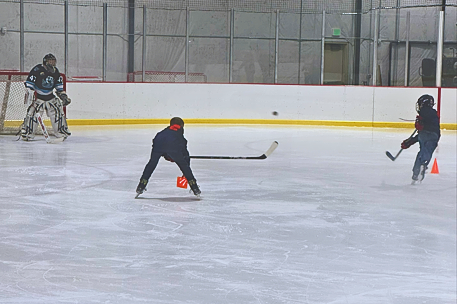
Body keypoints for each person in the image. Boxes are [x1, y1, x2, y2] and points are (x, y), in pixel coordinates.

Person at [136, 117, 201, 197]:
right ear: (181, 126)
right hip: (173, 147)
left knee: (151, 164)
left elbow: (157, 141)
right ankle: (194, 187)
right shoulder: (180, 136)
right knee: (184, 166)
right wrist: (185, 163)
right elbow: (185, 154)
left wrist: (166, 155)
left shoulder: (163, 132)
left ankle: (141, 186)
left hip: (158, 144)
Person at [21, 53, 71, 141]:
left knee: (58, 113)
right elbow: (29, 85)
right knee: (32, 115)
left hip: (50, 97)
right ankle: (28, 133)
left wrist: (63, 96)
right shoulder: (37, 69)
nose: (52, 63)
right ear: (45, 62)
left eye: (53, 61)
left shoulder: (56, 71)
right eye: (50, 61)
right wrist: (30, 95)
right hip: (39, 98)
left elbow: (59, 87)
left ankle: (60, 132)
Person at [401, 94, 440, 182]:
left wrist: (410, 142)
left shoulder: (424, 112)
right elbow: (432, 128)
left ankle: (416, 173)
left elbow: (423, 127)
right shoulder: (433, 113)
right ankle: (423, 164)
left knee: (421, 152)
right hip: (433, 136)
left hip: (423, 135)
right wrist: (409, 142)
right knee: (427, 151)